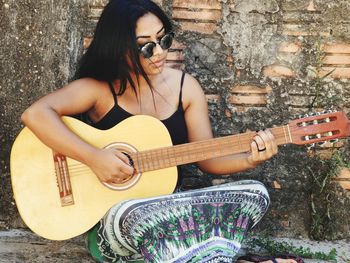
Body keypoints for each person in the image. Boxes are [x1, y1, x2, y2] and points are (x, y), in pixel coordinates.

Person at [21, 0, 299, 262]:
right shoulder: (98, 90)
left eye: (163, 40)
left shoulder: (185, 88)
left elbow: (207, 160)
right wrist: (94, 157)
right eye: (146, 47)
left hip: (174, 214)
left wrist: (250, 159)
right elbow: (35, 114)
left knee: (254, 193)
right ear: (120, 49)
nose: (160, 53)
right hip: (120, 222)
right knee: (135, 212)